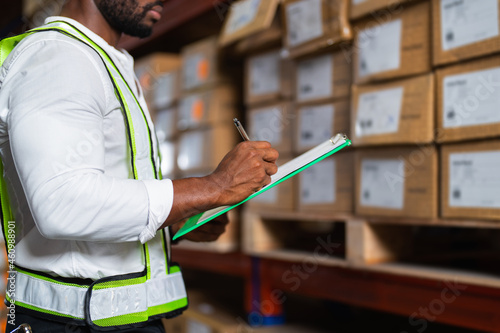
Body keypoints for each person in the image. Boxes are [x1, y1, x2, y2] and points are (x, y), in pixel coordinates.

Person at [0, 0, 278, 332]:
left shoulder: (103, 60)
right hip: (71, 324)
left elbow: (99, 199)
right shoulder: (60, 58)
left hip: (109, 320)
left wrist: (173, 220)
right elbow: (63, 203)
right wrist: (213, 187)